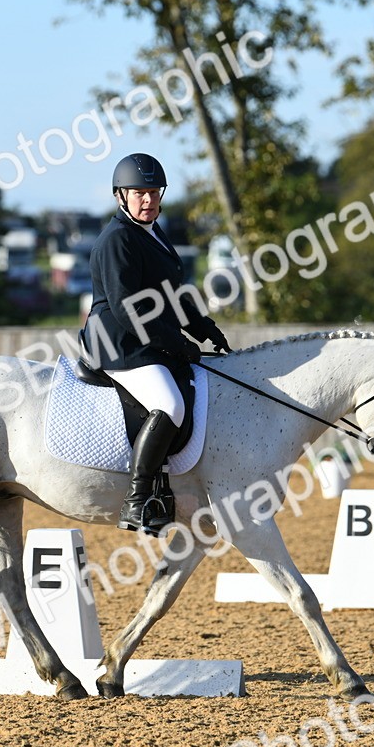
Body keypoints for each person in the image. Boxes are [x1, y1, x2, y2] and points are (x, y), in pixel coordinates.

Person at [80, 153, 230, 536]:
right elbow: (129, 309)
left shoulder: (154, 232)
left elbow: (174, 293)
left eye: (153, 192)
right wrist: (176, 344)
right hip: (118, 342)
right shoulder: (117, 240)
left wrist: (203, 328)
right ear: (121, 196)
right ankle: (137, 499)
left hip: (146, 339)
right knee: (170, 403)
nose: (148, 200)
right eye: (139, 193)